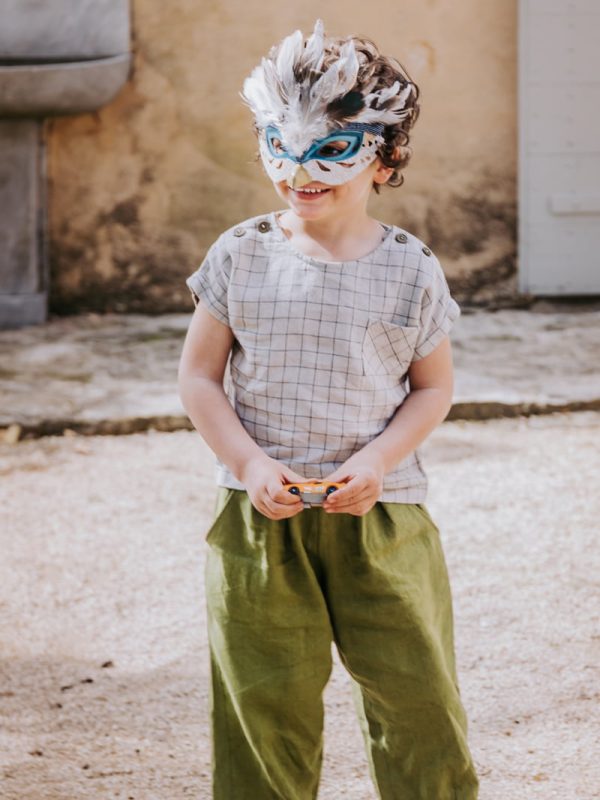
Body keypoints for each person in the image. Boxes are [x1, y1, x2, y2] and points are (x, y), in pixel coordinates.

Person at [178, 19, 479, 800]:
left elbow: (433, 387)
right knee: (262, 704)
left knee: (417, 700)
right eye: (279, 145)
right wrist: (246, 462)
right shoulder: (239, 255)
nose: (298, 170)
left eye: (330, 150)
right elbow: (200, 379)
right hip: (256, 518)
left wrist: (376, 461)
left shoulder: (412, 271)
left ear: (386, 158)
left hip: (383, 517)